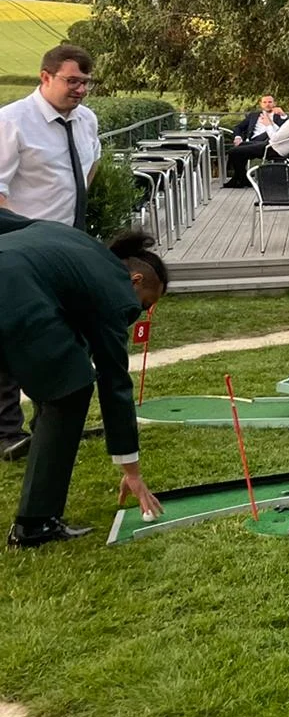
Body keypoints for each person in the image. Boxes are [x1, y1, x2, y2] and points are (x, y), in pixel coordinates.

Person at [0, 212, 166, 547]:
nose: (138, 315)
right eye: (144, 305)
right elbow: (114, 379)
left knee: (62, 380)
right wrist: (131, 469)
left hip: (15, 285)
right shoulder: (115, 289)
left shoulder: (75, 242)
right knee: (71, 389)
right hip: (12, 295)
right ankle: (35, 524)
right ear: (134, 280)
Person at [0, 43, 102, 462]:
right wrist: (28, 236)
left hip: (68, 249)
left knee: (64, 337)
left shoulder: (86, 120)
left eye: (85, 82)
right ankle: (6, 434)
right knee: (10, 341)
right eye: (71, 80)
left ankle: (52, 424)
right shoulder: (12, 121)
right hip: (20, 252)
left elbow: (89, 168)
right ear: (45, 77)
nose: (79, 90)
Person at [221, 95, 286, 187]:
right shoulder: (253, 115)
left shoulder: (279, 116)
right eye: (265, 102)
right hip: (251, 142)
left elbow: (284, 130)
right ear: (260, 104)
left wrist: (283, 115)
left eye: (270, 102)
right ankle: (243, 179)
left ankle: (240, 179)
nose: (267, 104)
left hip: (266, 144)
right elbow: (238, 127)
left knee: (235, 151)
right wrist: (238, 137)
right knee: (236, 151)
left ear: (274, 103)